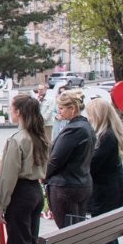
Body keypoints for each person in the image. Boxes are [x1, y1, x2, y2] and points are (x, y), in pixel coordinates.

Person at [0, 93, 51, 244]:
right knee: (31, 240)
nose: (9, 112)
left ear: (18, 112)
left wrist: (1, 204)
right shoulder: (40, 137)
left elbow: (8, 176)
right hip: (35, 190)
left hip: (20, 193)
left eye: (11, 108)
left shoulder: (17, 140)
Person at [85, 96, 123, 244]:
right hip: (112, 192)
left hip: (106, 194)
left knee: (106, 234)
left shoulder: (106, 138)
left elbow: (93, 165)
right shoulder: (108, 135)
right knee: (108, 234)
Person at [45, 88, 95, 232]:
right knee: (75, 229)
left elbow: (56, 159)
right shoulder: (86, 127)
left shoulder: (74, 129)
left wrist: (43, 176)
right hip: (81, 183)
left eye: (61, 108)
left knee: (68, 231)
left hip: (66, 186)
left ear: (72, 108)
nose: (59, 111)